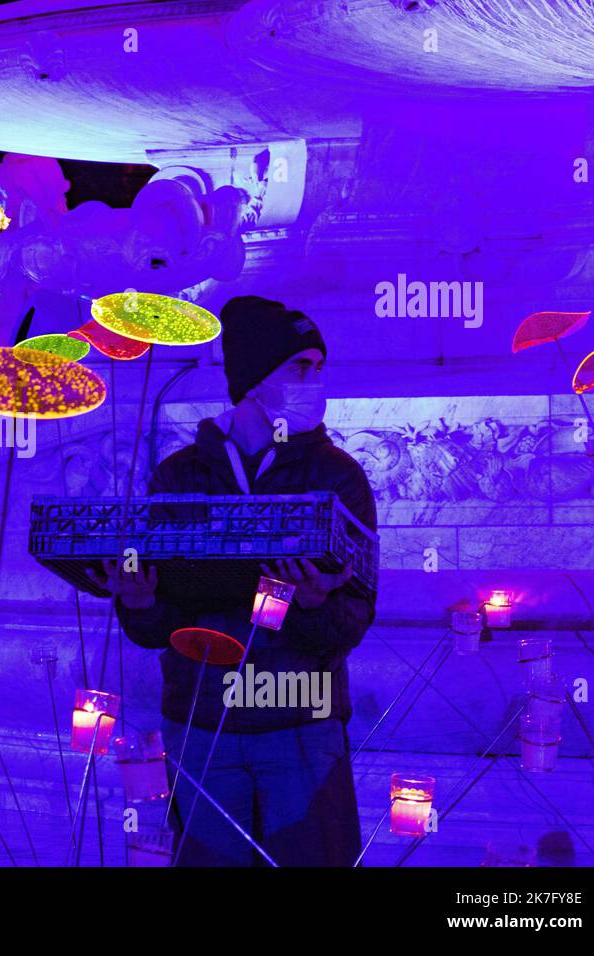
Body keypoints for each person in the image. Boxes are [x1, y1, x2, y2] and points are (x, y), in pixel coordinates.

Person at [91, 295, 378, 867]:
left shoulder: (338, 475)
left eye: (319, 369)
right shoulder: (178, 475)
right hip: (202, 727)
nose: (314, 381)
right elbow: (155, 627)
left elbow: (355, 616)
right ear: (255, 379)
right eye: (301, 367)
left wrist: (313, 604)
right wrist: (141, 601)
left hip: (301, 726)